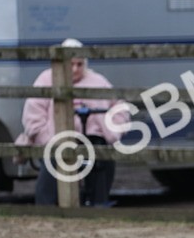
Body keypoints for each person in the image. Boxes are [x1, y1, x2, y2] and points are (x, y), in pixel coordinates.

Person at [16, 38, 131, 206]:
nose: (75, 69)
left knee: (102, 157)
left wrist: (114, 129)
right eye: (71, 64)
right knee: (55, 159)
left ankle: (98, 203)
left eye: (80, 64)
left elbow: (119, 107)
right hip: (56, 138)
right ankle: (47, 206)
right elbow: (33, 113)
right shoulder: (46, 79)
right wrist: (43, 135)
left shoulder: (97, 81)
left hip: (92, 136)